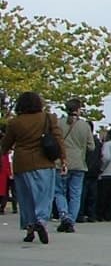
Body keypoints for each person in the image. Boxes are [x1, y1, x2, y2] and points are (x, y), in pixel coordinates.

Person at [0, 91, 67, 244]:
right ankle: (41, 221)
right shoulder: (48, 118)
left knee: (26, 198)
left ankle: (30, 227)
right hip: (44, 161)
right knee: (44, 196)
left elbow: (5, 144)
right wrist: (63, 159)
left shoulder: (15, 122)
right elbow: (58, 139)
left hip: (21, 163)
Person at [54, 98, 93, 232]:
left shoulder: (59, 124)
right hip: (78, 163)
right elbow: (91, 146)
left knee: (59, 191)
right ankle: (71, 220)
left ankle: (63, 214)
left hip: (61, 162)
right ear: (78, 109)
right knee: (75, 193)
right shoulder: (85, 126)